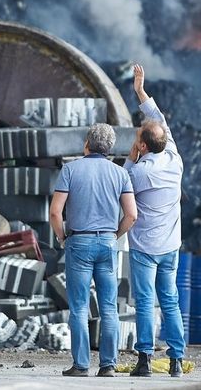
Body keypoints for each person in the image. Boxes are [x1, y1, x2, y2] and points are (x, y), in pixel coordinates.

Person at [50, 123, 138, 378]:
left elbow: (56, 211)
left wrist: (62, 236)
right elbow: (132, 215)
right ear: (109, 148)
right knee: (109, 307)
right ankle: (108, 366)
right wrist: (115, 235)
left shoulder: (70, 169)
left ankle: (80, 366)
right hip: (107, 244)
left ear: (86, 144)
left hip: (78, 243)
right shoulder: (120, 174)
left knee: (79, 307)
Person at [123, 63, 186, 377]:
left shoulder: (137, 172)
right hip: (171, 246)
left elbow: (119, 184)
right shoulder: (174, 157)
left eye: (137, 138)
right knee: (170, 300)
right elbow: (159, 119)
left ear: (143, 146)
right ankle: (176, 361)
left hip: (145, 248)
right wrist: (140, 91)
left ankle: (145, 360)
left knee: (146, 303)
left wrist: (130, 156)